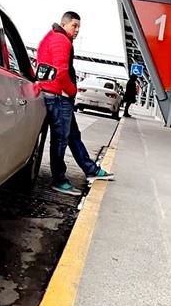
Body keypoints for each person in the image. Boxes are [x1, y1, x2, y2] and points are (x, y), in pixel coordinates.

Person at [36, 11, 115, 196]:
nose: (77, 30)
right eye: (74, 25)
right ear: (64, 24)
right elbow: (61, 71)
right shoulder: (61, 40)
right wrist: (72, 91)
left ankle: (91, 170)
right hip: (57, 96)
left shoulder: (54, 37)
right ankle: (59, 180)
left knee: (72, 135)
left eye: (79, 26)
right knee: (61, 139)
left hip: (56, 94)